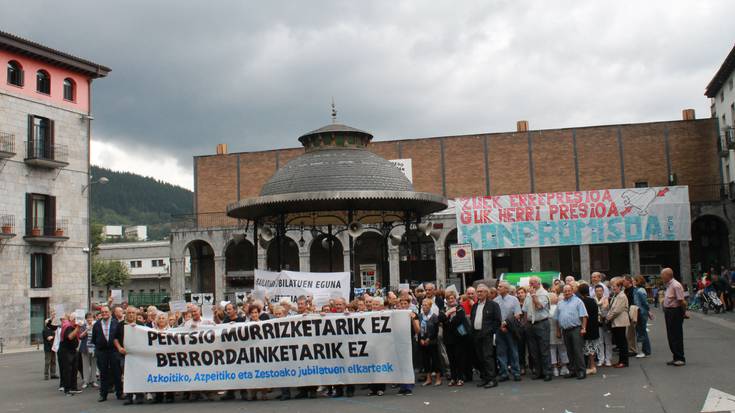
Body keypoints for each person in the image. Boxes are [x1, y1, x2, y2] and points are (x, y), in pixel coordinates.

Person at [470, 283, 502, 388]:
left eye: (481, 291)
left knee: (487, 357)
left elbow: (497, 321)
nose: (479, 293)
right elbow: (472, 319)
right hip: (477, 335)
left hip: (487, 335)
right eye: (477, 291)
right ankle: (485, 378)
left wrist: (490, 331)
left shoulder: (493, 305)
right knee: (480, 357)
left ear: (486, 293)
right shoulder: (475, 305)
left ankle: (492, 379)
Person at [554, 284, 588, 380]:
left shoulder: (578, 301)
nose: (567, 293)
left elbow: (584, 316)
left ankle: (581, 371)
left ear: (572, 291)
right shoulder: (560, 303)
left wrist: (584, 328)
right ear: (563, 292)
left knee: (577, 351)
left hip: (576, 329)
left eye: (569, 291)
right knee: (569, 351)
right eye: (565, 291)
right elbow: (556, 318)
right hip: (565, 330)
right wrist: (558, 331)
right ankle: (572, 370)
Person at [439, 290, 471, 386]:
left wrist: (446, 321)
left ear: (455, 298)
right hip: (448, 338)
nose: (450, 300)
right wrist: (448, 312)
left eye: (452, 298)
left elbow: (458, 321)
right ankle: (453, 378)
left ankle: (460, 378)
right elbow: (439, 318)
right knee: (451, 359)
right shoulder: (444, 309)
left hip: (459, 338)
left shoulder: (459, 308)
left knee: (459, 358)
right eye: (448, 298)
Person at [523, 276, 552, 381]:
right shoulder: (528, 295)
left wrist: (534, 295)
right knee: (533, 350)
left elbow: (539, 306)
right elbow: (525, 310)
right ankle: (538, 372)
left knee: (544, 349)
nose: (530, 285)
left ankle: (547, 372)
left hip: (541, 323)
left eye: (533, 283)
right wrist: (526, 324)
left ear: (538, 283)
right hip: (530, 324)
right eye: (530, 283)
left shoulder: (544, 293)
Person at [91, 305, 122, 402]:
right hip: (102, 351)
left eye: (106, 312)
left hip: (114, 351)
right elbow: (94, 339)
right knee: (103, 373)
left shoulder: (116, 323)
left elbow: (119, 337)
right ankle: (103, 394)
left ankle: (119, 393)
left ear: (110, 312)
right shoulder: (96, 324)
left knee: (117, 372)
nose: (104, 313)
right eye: (102, 312)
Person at [493, 281, 522, 382]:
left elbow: (518, 314)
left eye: (500, 286)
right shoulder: (495, 300)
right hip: (499, 329)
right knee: (501, 352)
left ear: (506, 289)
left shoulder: (514, 300)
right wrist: (500, 325)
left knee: (513, 350)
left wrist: (506, 323)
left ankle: (516, 372)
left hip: (511, 329)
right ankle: (504, 373)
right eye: (498, 286)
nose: (498, 288)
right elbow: (495, 316)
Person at [115, 306, 144, 405]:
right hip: (125, 355)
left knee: (138, 375)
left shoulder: (141, 325)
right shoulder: (120, 325)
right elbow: (115, 339)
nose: (131, 314)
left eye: (133, 313)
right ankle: (129, 396)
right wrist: (119, 348)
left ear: (136, 314)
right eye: (129, 313)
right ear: (126, 314)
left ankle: (139, 396)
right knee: (127, 376)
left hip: (138, 355)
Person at [661, 267, 687, 366]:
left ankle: (680, 357)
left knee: (676, 335)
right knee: (671, 335)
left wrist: (684, 313)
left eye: (663, 276)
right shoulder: (669, 285)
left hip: (675, 312)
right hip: (669, 312)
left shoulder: (676, 285)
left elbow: (682, 301)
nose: (661, 277)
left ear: (668, 275)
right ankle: (675, 356)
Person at [398, 296, 420, 395]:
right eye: (401, 304)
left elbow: (418, 330)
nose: (403, 306)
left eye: (405, 304)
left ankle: (409, 386)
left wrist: (412, 319)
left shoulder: (414, 314)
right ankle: (403, 386)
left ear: (408, 304)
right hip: (399, 342)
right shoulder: (397, 315)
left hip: (410, 341)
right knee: (401, 364)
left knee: (409, 364)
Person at [418, 298, 442, 387]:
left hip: (432, 342)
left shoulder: (434, 316)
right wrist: (421, 338)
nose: (424, 307)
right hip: (423, 341)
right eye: (423, 305)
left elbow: (435, 331)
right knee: (425, 360)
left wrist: (428, 339)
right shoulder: (420, 316)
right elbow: (418, 329)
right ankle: (428, 378)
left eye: (426, 305)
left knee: (435, 360)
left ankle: (438, 378)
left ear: (430, 306)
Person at [151, 312, 175, 404]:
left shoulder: (172, 330)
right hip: (156, 356)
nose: (161, 320)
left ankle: (170, 395)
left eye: (163, 318)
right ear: (157, 320)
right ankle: (158, 396)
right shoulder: (151, 331)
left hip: (168, 356)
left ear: (166, 320)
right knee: (158, 375)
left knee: (169, 375)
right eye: (159, 318)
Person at [606, 278, 630, 368]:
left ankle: (624, 361)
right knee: (620, 342)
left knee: (622, 342)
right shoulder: (617, 295)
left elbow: (616, 311)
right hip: (616, 322)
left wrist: (608, 318)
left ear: (620, 287)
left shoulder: (621, 296)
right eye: (612, 286)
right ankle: (621, 360)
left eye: (615, 286)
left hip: (620, 322)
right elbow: (612, 308)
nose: (613, 288)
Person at [577, 284, 599, 375]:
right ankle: (592, 366)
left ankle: (592, 366)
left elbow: (582, 316)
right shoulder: (593, 300)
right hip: (594, 326)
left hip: (586, 327)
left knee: (588, 348)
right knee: (592, 347)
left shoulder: (581, 301)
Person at [59, 315, 82, 395]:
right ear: (73, 319)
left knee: (74, 369)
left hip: (73, 350)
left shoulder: (72, 326)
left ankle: (73, 387)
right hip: (67, 351)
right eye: (77, 319)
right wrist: (78, 328)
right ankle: (67, 389)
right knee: (68, 370)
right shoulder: (68, 326)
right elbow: (70, 337)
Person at [594, 285, 613, 367]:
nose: (599, 292)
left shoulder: (607, 299)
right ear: (595, 292)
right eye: (597, 291)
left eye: (600, 291)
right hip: (597, 323)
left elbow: (607, 309)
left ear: (603, 291)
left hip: (606, 323)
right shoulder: (593, 299)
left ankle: (608, 359)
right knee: (599, 342)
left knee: (608, 342)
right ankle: (601, 359)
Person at [633, 275, 652, 358]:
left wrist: (648, 311)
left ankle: (645, 351)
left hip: (641, 312)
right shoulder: (637, 289)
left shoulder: (640, 290)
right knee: (642, 331)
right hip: (640, 311)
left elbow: (645, 302)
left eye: (634, 280)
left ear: (638, 281)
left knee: (642, 331)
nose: (633, 281)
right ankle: (646, 350)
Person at [79, 312, 97, 389]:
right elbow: (80, 336)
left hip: (94, 348)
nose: (90, 319)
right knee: (85, 365)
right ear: (86, 319)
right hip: (85, 348)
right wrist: (87, 329)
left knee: (94, 365)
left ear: (94, 318)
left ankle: (94, 381)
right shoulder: (83, 326)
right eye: (88, 318)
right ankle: (86, 381)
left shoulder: (96, 326)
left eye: (91, 318)